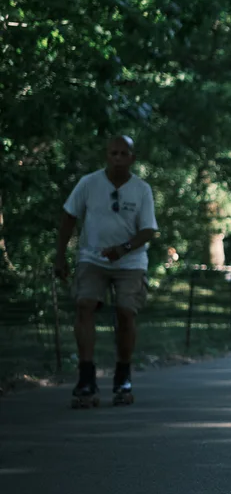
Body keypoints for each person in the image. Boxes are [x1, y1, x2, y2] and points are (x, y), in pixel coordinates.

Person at [55, 136, 158, 407]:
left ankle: (123, 376)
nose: (118, 158)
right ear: (106, 156)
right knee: (85, 304)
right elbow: (69, 217)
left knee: (125, 311)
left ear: (132, 158)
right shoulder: (89, 183)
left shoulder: (141, 189)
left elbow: (148, 230)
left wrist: (123, 249)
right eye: (113, 153)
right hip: (93, 258)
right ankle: (86, 378)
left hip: (130, 263)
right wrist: (60, 256)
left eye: (124, 154)